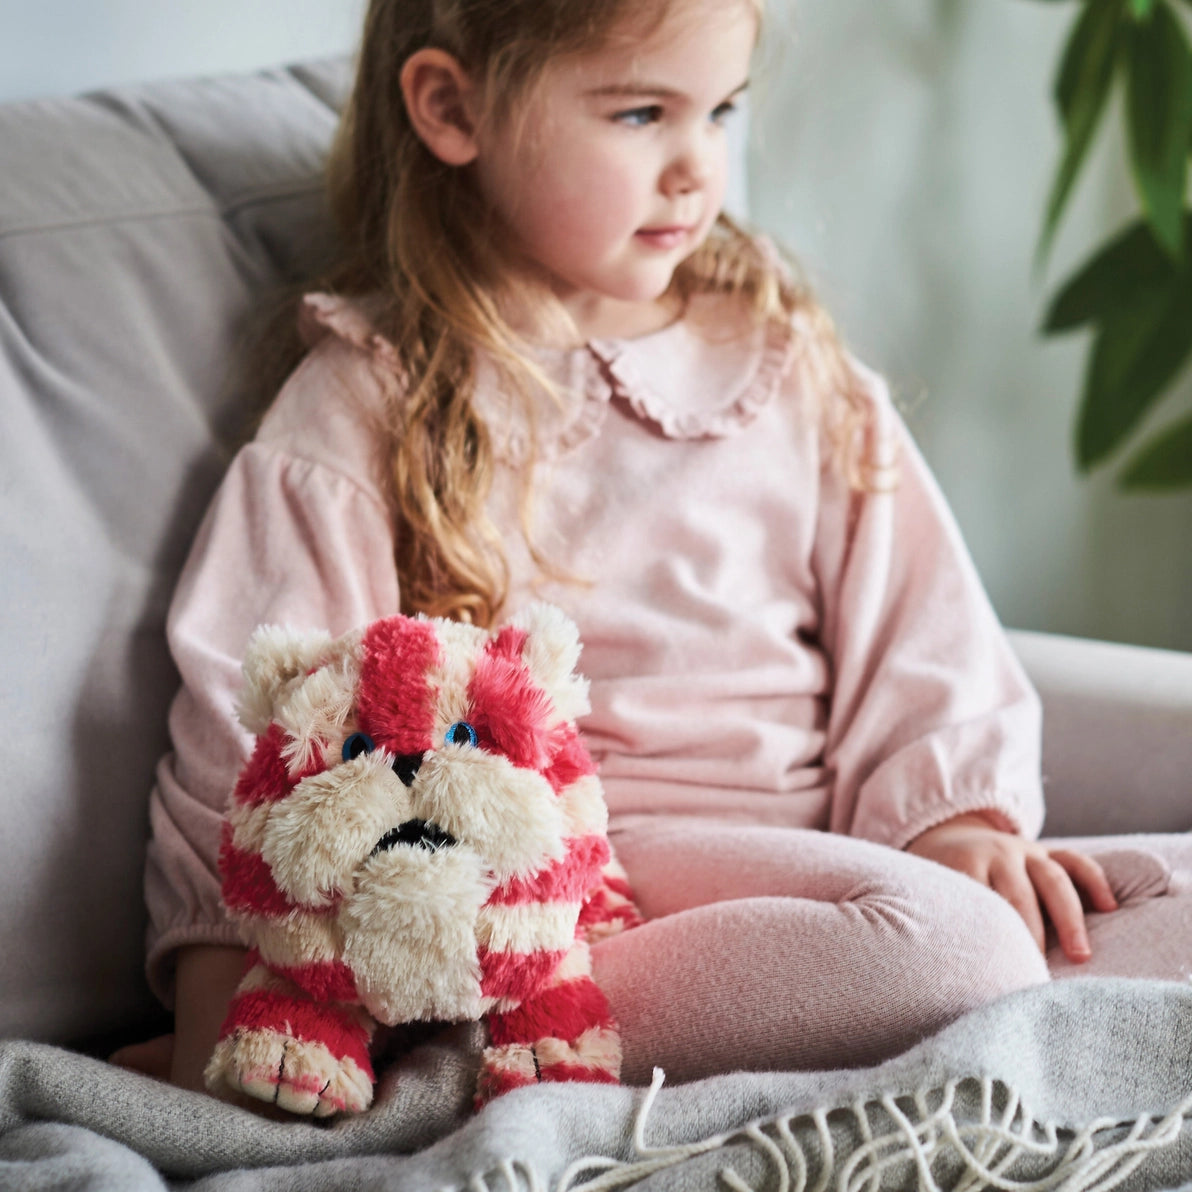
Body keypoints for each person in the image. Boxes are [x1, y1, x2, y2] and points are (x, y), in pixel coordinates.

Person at [113, 0, 1184, 1100]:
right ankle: (483, 1048)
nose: (697, 169)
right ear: (451, 108)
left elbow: (924, 629)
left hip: (826, 878)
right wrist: (220, 1012)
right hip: (580, 886)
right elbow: (258, 719)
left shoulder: (782, 358)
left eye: (719, 111)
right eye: (640, 114)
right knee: (955, 950)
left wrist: (957, 824)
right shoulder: (372, 398)